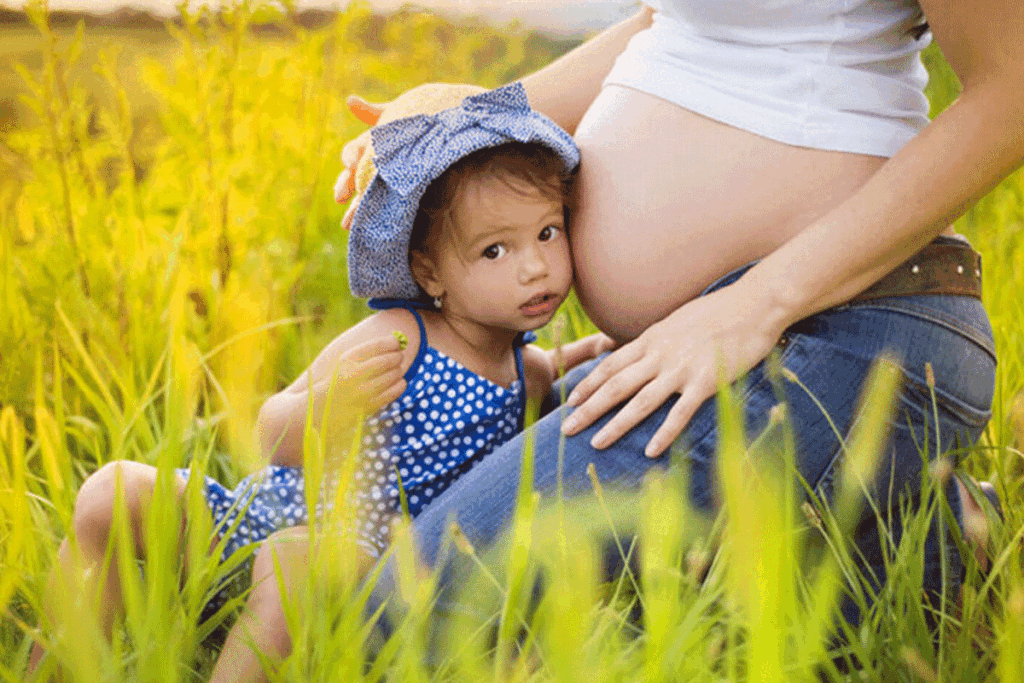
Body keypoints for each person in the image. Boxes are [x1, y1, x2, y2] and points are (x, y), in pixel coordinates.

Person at [325, 0, 1014, 650]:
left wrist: (757, 304)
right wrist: (472, 121)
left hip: (839, 326)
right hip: (723, 330)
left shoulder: (772, 310)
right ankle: (948, 546)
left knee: (405, 617)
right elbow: (678, 25)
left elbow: (1010, 87)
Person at [28, 84, 613, 682]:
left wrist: (601, 346)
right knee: (112, 491)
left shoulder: (526, 371)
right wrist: (329, 407)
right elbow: (269, 433)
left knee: (297, 560)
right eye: (494, 250)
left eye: (548, 232)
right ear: (429, 270)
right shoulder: (401, 338)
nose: (536, 265)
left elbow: (558, 365)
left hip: (357, 569)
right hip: (265, 523)